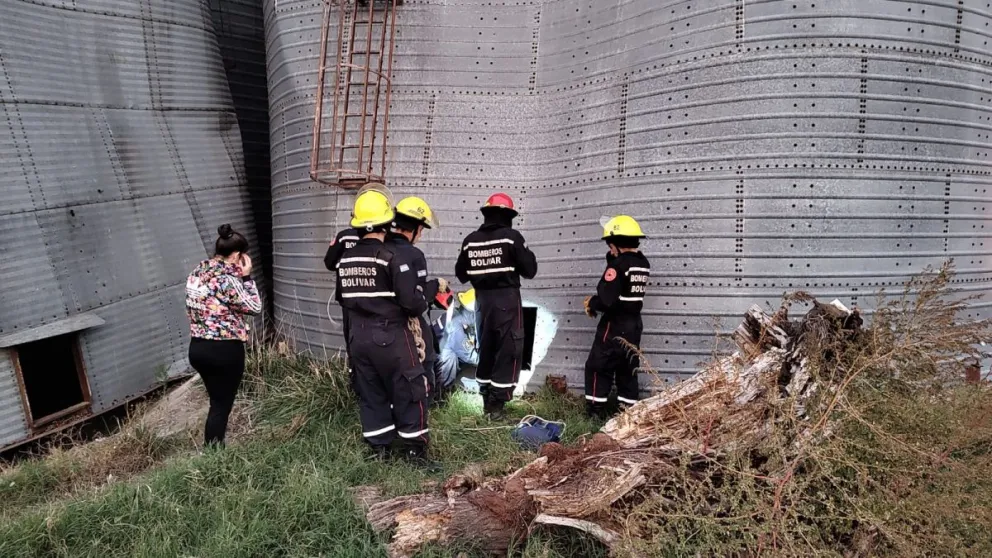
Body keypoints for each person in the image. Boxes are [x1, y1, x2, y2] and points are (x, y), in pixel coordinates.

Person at [337, 187, 434, 465]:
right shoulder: (392, 257)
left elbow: (343, 298)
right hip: (391, 335)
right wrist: (426, 292)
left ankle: (380, 450)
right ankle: (415, 452)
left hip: (359, 336)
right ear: (386, 222)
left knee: (371, 390)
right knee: (409, 387)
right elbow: (412, 304)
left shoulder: (346, 258)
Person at [455, 192, 537, 419]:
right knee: (509, 351)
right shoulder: (512, 238)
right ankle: (497, 408)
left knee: (487, 350)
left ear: (487, 214)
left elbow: (460, 273)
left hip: (481, 304)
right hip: (507, 301)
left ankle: (486, 401)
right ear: (508, 215)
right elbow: (530, 270)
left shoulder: (470, 240)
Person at [185, 224, 263, 447]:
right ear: (238, 255)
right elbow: (254, 307)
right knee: (221, 406)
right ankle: (214, 455)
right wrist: (247, 278)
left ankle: (214, 449)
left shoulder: (196, 273)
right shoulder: (227, 279)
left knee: (216, 403)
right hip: (224, 349)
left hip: (198, 347)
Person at [582, 216, 650, 419]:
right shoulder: (642, 263)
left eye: (610, 245)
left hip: (614, 325)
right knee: (627, 368)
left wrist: (591, 303)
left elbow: (606, 299)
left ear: (616, 243)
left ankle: (595, 411)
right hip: (634, 324)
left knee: (597, 366)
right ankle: (627, 412)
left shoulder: (617, 266)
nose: (609, 250)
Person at [386, 196, 448, 401]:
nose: (420, 235)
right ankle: (425, 405)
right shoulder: (414, 255)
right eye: (421, 230)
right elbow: (415, 300)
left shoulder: (379, 248)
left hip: (377, 328)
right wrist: (434, 286)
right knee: (426, 358)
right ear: (413, 229)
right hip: (408, 326)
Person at [324, 224, 361, 389]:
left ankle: (356, 385)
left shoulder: (345, 237)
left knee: (353, 341)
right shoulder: (383, 237)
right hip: (378, 301)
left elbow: (329, 262)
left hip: (349, 299)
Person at [432, 289, 480, 392]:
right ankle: (441, 395)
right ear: (472, 313)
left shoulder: (457, 315)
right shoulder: (455, 326)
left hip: (433, 354)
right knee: (450, 357)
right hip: (434, 360)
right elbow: (470, 356)